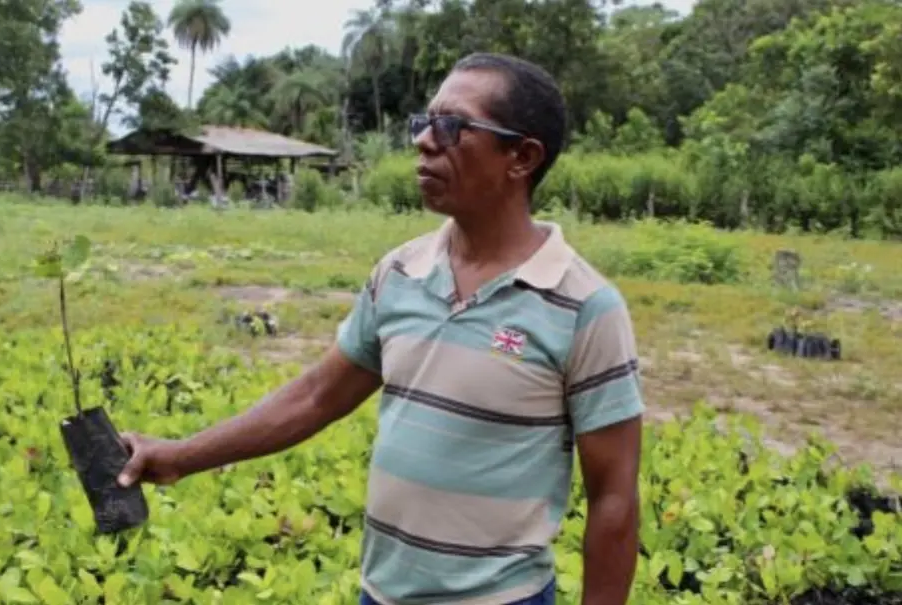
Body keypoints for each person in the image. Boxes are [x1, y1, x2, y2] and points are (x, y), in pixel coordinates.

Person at [116, 52, 644, 605]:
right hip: (381, 594)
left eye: (452, 126)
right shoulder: (398, 273)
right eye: (425, 122)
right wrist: (179, 456)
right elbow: (316, 397)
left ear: (522, 157)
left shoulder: (586, 307)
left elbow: (613, 497)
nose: (423, 141)